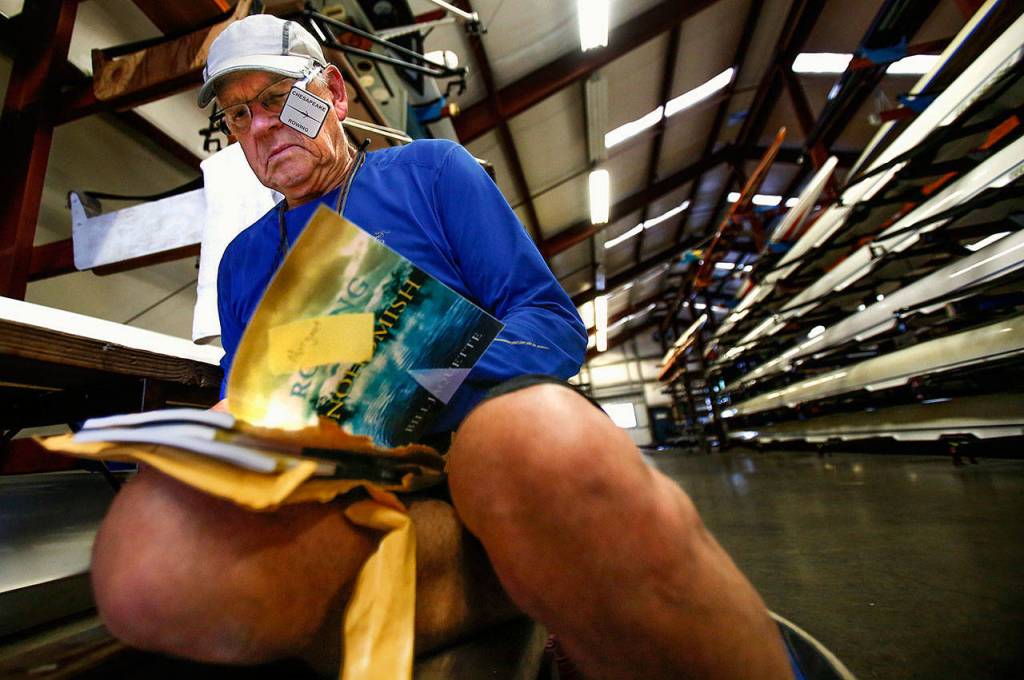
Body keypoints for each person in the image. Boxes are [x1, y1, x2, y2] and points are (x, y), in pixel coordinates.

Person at [90, 14, 794, 680]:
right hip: (347, 475)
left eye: (281, 97)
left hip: (469, 453)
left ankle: (564, 571)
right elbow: (241, 388)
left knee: (538, 436)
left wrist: (408, 362)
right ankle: (537, 580)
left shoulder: (432, 175)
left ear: (332, 92)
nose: (265, 126)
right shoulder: (242, 260)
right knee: (154, 550)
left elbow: (550, 325)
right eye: (241, 115)